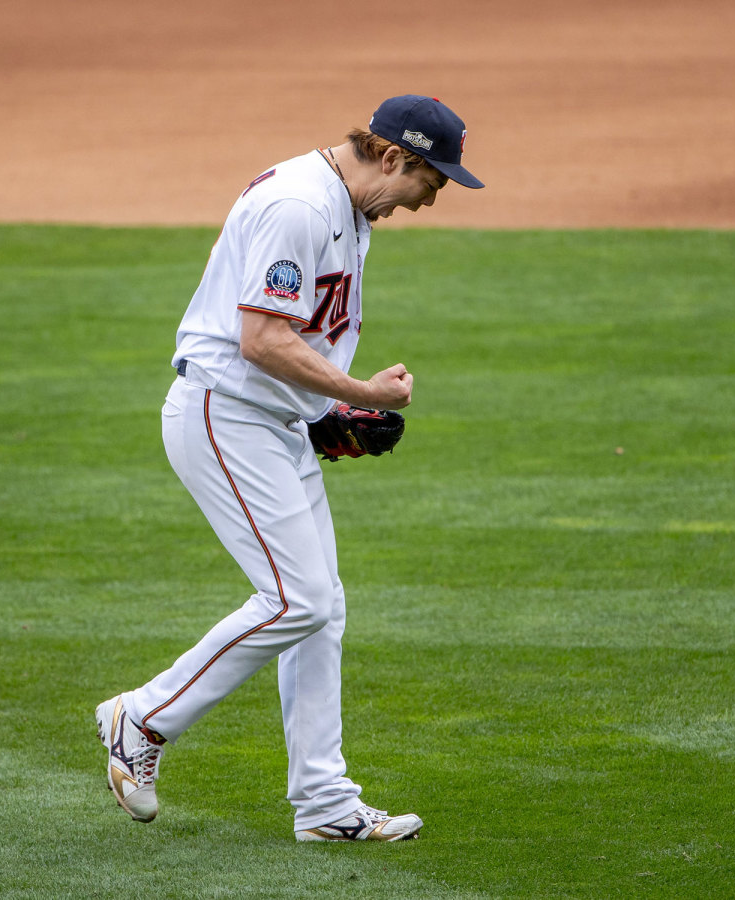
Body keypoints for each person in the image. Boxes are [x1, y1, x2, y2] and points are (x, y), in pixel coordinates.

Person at [95, 95, 483, 842]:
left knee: (322, 609)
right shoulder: (301, 206)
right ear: (395, 157)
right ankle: (140, 719)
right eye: (431, 183)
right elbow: (262, 341)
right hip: (225, 415)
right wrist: (359, 392)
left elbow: (300, 342)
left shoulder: (351, 210)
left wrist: (322, 417)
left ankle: (325, 804)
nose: (429, 201)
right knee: (297, 598)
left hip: (271, 422)